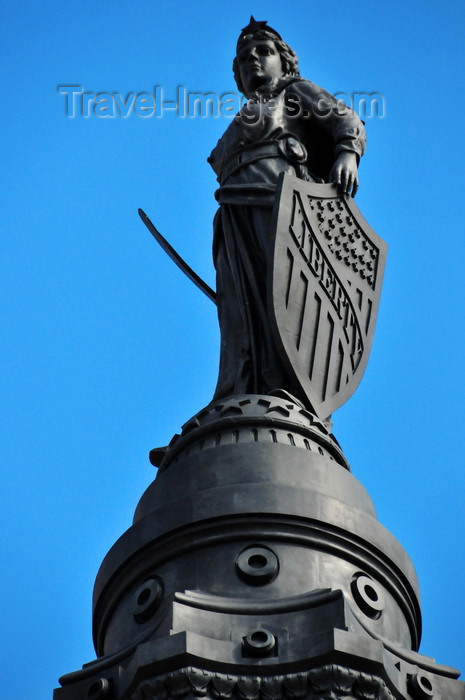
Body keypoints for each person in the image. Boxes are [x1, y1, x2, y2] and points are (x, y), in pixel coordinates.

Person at [208, 18, 366, 408]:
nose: (253, 61)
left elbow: (345, 119)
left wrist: (347, 152)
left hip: (278, 198)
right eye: (244, 58)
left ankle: (289, 391)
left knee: (283, 295)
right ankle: (236, 395)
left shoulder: (293, 93)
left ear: (285, 61)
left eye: (263, 52)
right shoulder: (240, 120)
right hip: (233, 210)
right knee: (238, 312)